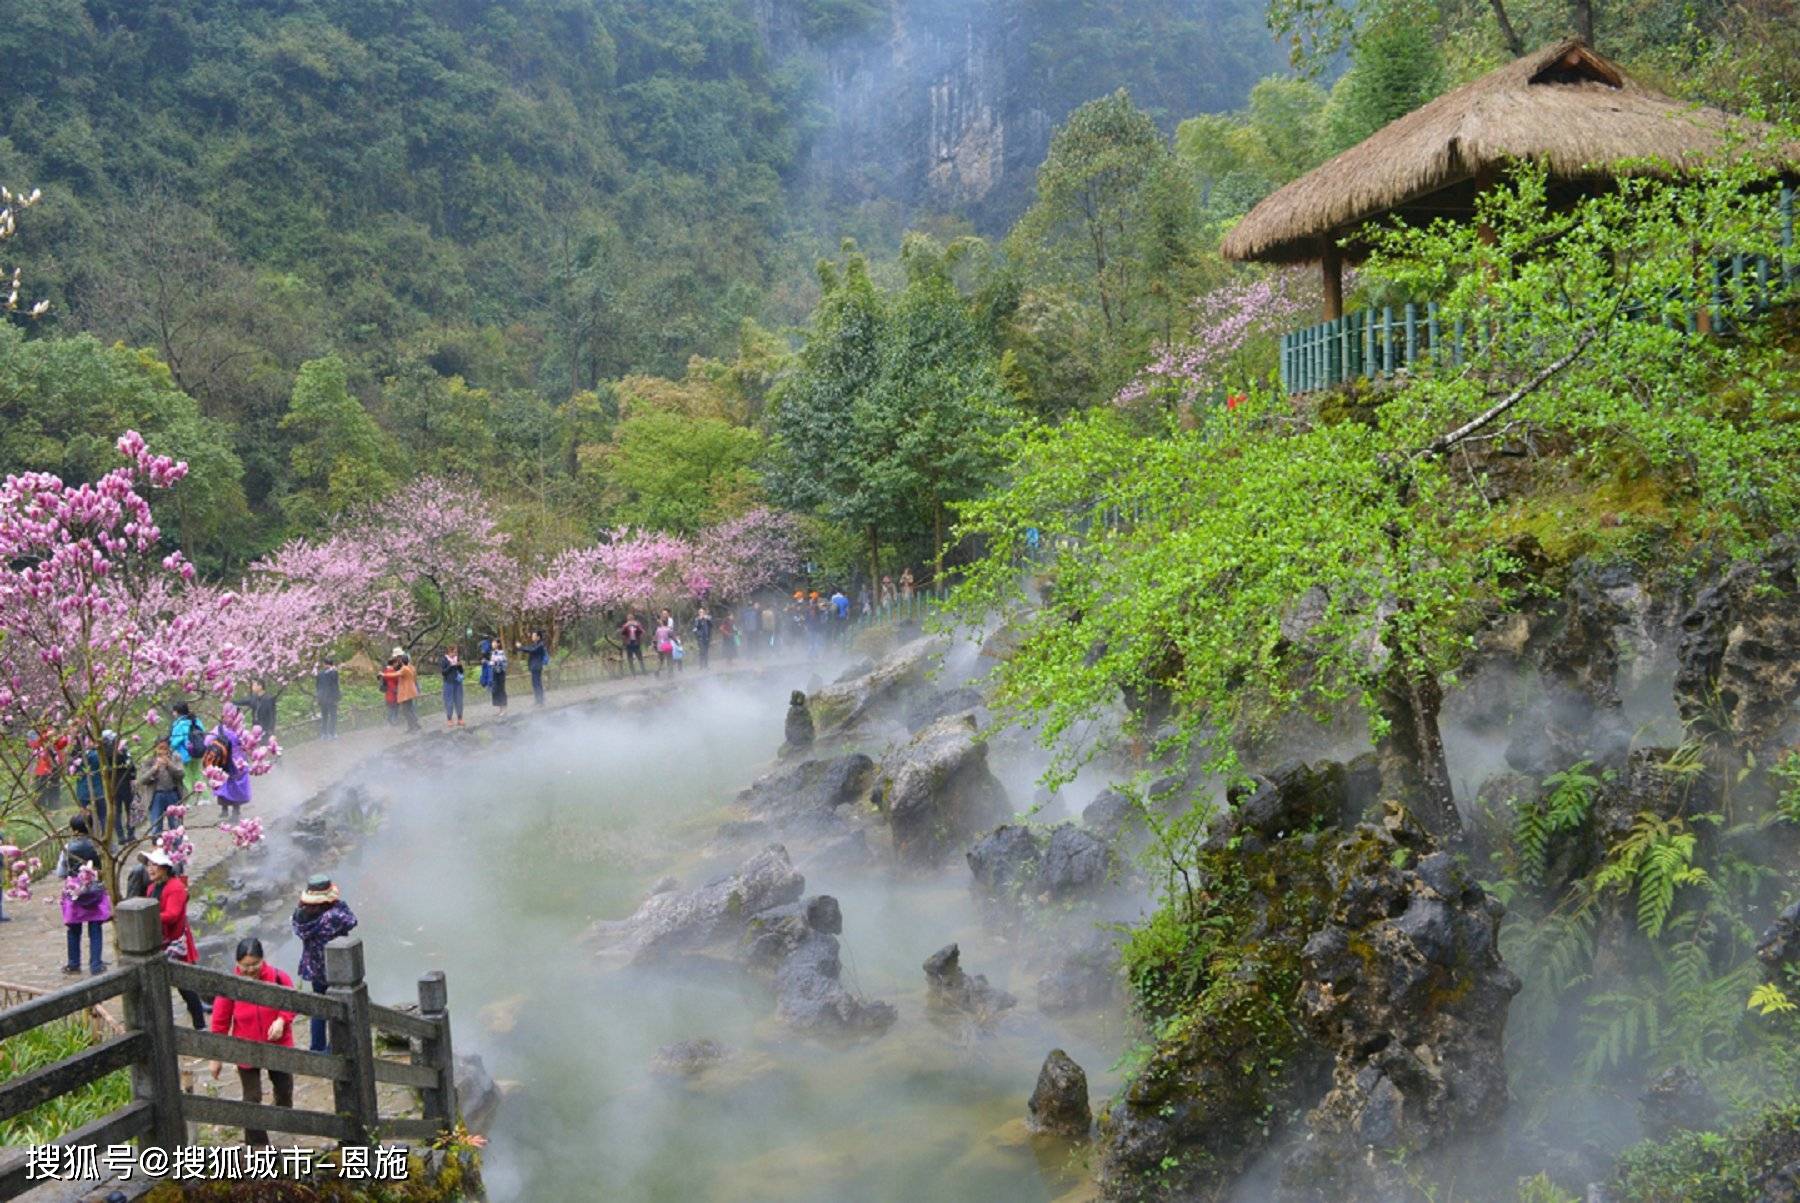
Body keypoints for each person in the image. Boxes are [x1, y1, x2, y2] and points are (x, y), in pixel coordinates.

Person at [209, 938, 296, 1145]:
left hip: (277, 1042)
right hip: (246, 1045)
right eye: (245, 966)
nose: (250, 970)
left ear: (262, 960)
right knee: (252, 1097)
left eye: (255, 964)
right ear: (237, 963)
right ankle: (257, 1145)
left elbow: (291, 1001)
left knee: (284, 1088)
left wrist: (282, 1020)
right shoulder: (230, 985)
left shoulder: (277, 977)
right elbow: (220, 1022)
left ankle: (284, 1121)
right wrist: (216, 1057)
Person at [290, 874, 357, 1053]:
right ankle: (335, 1047)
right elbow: (351, 921)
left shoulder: (300, 916)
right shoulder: (333, 916)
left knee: (319, 1009)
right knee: (338, 1008)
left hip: (314, 968)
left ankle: (317, 1047)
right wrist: (337, 903)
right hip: (335, 969)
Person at [145, 850, 207, 1028]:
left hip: (175, 941)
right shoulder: (152, 887)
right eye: (149, 865)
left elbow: (172, 915)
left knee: (185, 985)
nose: (150, 869)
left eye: (154, 865)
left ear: (165, 868)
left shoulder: (175, 887)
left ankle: (200, 1025)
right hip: (160, 941)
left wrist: (147, 916)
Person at [58, 815, 111, 976]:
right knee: (95, 928)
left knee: (73, 930)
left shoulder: (68, 848)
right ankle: (96, 964)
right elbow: (105, 867)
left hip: (75, 890)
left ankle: (74, 964)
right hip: (94, 888)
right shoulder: (98, 846)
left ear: (73, 830)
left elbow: (61, 872)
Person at [205, 721, 251, 822]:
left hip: (223, 760)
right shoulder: (239, 729)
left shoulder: (218, 729)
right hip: (238, 761)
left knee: (222, 783)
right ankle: (236, 811)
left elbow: (207, 742)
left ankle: (224, 809)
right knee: (237, 786)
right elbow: (247, 743)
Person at [137, 739, 184, 837]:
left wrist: (169, 765)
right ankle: (157, 847)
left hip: (173, 794)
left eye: (165, 748)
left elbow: (181, 774)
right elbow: (142, 780)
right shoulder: (148, 760)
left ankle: (177, 848)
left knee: (176, 825)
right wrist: (154, 768)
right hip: (156, 796)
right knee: (156, 826)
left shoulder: (175, 757)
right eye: (160, 748)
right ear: (155, 748)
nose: (163, 751)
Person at [170, 703, 206, 789]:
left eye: (174, 711)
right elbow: (203, 734)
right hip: (198, 752)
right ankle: (204, 797)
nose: (172, 713)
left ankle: (189, 799)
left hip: (185, 754)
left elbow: (175, 742)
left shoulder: (179, 724)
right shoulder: (197, 721)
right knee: (198, 774)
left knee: (186, 777)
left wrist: (170, 746)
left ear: (178, 712)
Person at [519, 631, 549, 705]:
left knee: (538, 684)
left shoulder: (540, 645)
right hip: (533, 666)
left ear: (538, 637)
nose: (532, 637)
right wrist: (521, 648)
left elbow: (532, 650)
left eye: (534, 636)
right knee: (535, 684)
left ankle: (541, 701)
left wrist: (521, 647)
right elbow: (529, 648)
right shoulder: (535, 644)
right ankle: (537, 700)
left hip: (537, 666)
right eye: (532, 636)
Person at [315, 660, 341, 741]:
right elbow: (335, 686)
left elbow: (318, 687)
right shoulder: (333, 673)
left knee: (328, 716)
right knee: (329, 716)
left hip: (326, 698)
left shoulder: (323, 674)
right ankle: (328, 733)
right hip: (328, 698)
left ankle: (328, 733)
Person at [440, 647, 466, 727]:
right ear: (449, 652)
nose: (455, 654)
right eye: (454, 652)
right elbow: (443, 672)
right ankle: (449, 719)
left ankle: (460, 718)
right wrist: (451, 666)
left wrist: (459, 666)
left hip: (458, 682)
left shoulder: (457, 659)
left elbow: (461, 671)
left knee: (459, 701)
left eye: (456, 652)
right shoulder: (444, 659)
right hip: (448, 683)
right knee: (449, 701)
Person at [654, 611, 675, 677]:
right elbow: (672, 636)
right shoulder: (668, 629)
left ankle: (657, 671)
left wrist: (655, 646)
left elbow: (655, 638)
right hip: (667, 647)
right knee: (669, 660)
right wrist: (677, 642)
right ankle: (670, 673)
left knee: (661, 660)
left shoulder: (658, 630)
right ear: (667, 623)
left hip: (660, 647)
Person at [489, 643, 509, 708]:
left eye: (494, 642)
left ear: (498, 644)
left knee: (501, 690)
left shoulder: (501, 652)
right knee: (496, 690)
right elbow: (492, 663)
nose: (492, 644)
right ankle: (500, 708)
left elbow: (502, 662)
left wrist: (494, 662)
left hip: (500, 673)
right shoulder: (493, 653)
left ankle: (504, 708)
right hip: (495, 673)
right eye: (492, 642)